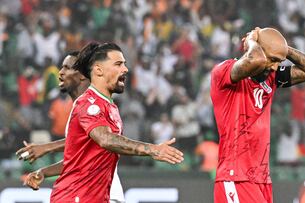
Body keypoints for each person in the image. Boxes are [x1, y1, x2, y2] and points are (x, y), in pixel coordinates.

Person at [49, 42, 182, 203]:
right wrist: (152, 149)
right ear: (98, 70)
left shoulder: (110, 107)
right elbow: (105, 139)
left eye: (124, 64)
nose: (125, 69)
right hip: (75, 197)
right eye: (118, 64)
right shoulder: (88, 103)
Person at [210, 27, 305, 203]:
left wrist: (282, 49)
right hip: (235, 177)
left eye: (279, 61)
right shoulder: (224, 72)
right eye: (272, 60)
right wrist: (251, 42)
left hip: (261, 179)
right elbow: (255, 59)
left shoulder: (270, 77)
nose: (275, 66)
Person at [16, 51, 126, 203]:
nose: (60, 72)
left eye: (67, 68)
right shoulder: (79, 107)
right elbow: (77, 161)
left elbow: (101, 140)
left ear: (82, 75)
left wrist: (47, 147)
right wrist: (43, 172)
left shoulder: (94, 104)